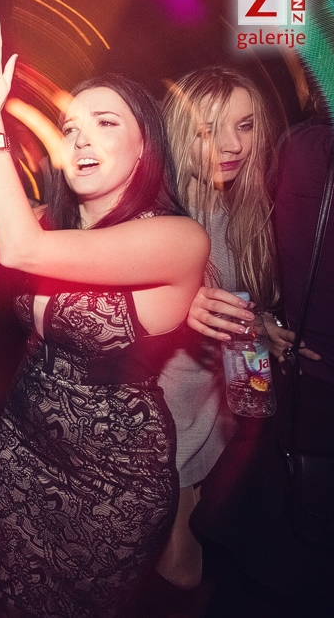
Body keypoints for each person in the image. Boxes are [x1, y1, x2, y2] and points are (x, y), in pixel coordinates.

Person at [0, 12, 208, 617]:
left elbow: (24, 252)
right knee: (10, 597)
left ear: (146, 145)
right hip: (23, 444)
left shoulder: (177, 238)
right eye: (70, 128)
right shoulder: (44, 221)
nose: (81, 138)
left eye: (105, 123)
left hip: (116, 480)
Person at [155, 67, 296, 592]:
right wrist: (173, 301)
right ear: (178, 132)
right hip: (163, 422)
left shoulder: (241, 210)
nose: (232, 144)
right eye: (208, 129)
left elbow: (235, 299)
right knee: (181, 574)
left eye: (246, 125)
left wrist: (262, 322)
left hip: (220, 413)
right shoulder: (158, 217)